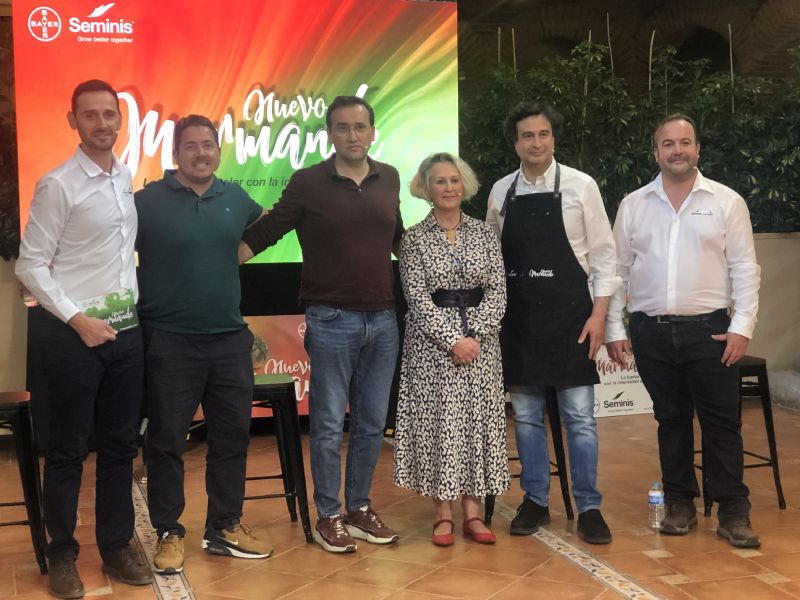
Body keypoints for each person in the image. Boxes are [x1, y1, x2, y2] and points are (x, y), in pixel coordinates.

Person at [239, 96, 403, 553]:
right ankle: (328, 514)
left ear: (372, 132)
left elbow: (398, 238)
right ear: (329, 135)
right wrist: (220, 261)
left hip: (384, 318)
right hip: (330, 318)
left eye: (360, 127)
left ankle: (359, 507)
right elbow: (269, 229)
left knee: (371, 423)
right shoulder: (308, 182)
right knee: (329, 424)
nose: (352, 135)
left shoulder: (388, 178)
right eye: (342, 128)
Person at [15, 79, 152, 598]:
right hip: (72, 338)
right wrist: (78, 320)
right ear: (73, 121)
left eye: (109, 115)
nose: (101, 124)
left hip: (125, 332)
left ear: (121, 120)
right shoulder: (59, 184)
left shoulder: (123, 177)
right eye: (89, 115)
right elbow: (31, 265)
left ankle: (116, 545)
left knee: (120, 446)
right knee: (69, 449)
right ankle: (63, 554)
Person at [606, 114, 761, 548]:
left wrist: (742, 327)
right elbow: (617, 272)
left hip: (711, 331)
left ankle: (733, 511)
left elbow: (746, 269)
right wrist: (616, 327)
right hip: (651, 332)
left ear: (697, 148)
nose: (678, 150)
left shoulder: (727, 202)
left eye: (685, 142)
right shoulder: (633, 204)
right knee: (670, 420)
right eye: (668, 144)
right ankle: (679, 503)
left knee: (722, 424)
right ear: (655, 152)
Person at [135, 114, 271, 575]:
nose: (200, 153)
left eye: (208, 145)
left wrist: (243, 251)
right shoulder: (146, 201)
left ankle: (225, 526)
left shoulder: (235, 196)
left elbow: (268, 225)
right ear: (175, 153)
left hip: (230, 340)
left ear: (218, 150)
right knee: (167, 440)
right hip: (169, 341)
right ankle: (169, 532)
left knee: (232, 437)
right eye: (190, 145)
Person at [486, 102, 619, 544]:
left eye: (543, 134)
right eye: (527, 135)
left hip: (571, 321)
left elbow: (604, 258)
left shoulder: (582, 186)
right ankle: (535, 501)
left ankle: (589, 507)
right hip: (520, 322)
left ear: (553, 138)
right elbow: (491, 258)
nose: (536, 143)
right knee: (525, 417)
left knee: (579, 418)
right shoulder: (501, 192)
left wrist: (600, 317)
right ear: (515, 142)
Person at [393, 153, 509, 546]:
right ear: (426, 188)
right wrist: (452, 340)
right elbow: (417, 299)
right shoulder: (413, 239)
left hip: (482, 346)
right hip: (432, 348)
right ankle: (442, 513)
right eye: (440, 181)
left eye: (454, 180)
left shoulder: (484, 233)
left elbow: (497, 289)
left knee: (478, 423)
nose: (448, 188)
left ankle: (473, 514)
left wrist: (474, 335)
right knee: (440, 424)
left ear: (465, 185)